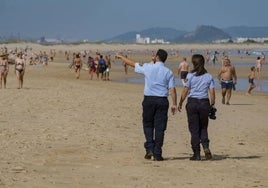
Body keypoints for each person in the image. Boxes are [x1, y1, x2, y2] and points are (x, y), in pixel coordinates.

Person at [116, 49, 177, 161]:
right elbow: (172, 89)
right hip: (162, 100)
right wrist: (174, 104)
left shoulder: (148, 67)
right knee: (160, 127)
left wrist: (120, 57)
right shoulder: (168, 72)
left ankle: (149, 148)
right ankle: (157, 153)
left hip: (149, 99)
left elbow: (132, 63)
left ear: (157, 57)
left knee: (148, 124)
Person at [178, 54, 215, 161]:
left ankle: (197, 154)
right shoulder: (208, 76)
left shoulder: (190, 76)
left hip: (192, 103)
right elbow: (212, 93)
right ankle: (206, 147)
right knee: (203, 127)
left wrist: (180, 102)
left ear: (194, 63)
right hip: (204, 103)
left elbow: (185, 90)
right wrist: (212, 104)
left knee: (194, 129)